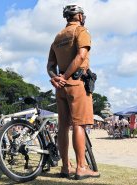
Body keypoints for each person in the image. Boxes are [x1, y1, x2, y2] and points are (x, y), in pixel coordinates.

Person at [47, 4, 100, 180]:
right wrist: (66, 76)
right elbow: (81, 56)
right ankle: (81, 167)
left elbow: (50, 66)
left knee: (63, 126)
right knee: (79, 124)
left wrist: (56, 78)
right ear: (78, 16)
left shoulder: (57, 37)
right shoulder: (81, 31)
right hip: (76, 83)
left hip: (60, 88)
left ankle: (65, 167)